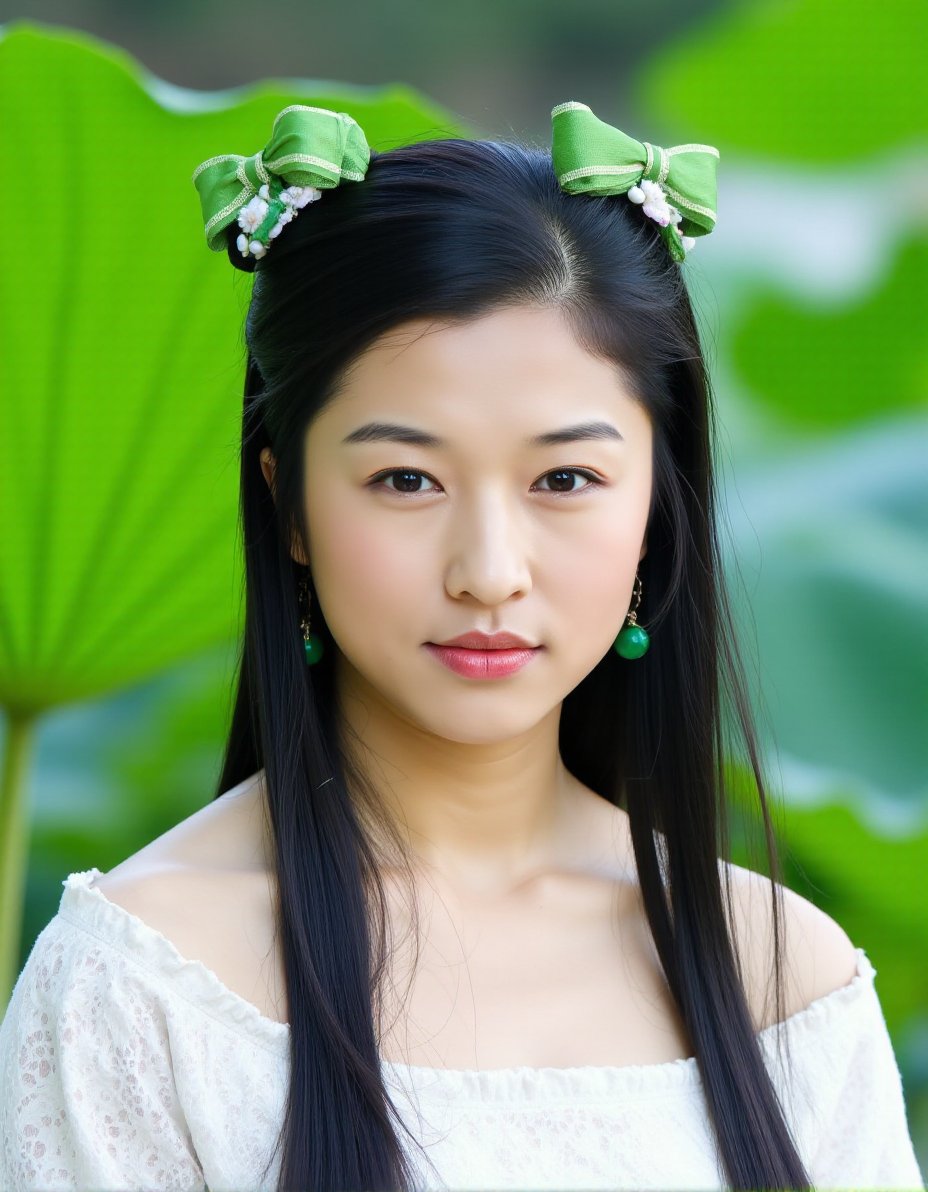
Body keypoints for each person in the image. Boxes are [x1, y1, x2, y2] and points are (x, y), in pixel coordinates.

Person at [0, 101, 923, 1192]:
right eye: (405, 479)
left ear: (656, 507)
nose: (488, 568)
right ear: (286, 503)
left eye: (564, 480)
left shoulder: (783, 973)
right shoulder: (144, 982)